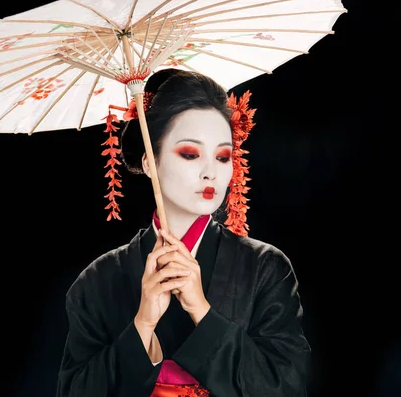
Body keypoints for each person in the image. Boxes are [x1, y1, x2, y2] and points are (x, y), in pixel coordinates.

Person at [55, 68, 311, 397]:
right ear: (150, 162)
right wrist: (142, 324)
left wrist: (201, 310)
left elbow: (287, 387)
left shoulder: (265, 268)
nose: (210, 172)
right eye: (190, 154)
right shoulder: (98, 280)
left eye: (222, 156)